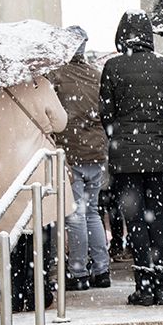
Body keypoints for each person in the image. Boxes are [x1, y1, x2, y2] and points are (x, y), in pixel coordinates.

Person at [0, 76, 73, 311]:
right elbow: (60, 123)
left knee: (10, 236)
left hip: (3, 171)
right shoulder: (39, 83)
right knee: (40, 230)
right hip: (37, 167)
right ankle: (38, 291)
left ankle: (13, 295)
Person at [100, 10, 163, 306]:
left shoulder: (113, 67)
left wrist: (119, 137)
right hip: (159, 154)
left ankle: (144, 285)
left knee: (134, 221)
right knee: (158, 218)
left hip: (126, 156)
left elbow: (106, 112)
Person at [48, 26, 111, 291]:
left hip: (70, 152)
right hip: (96, 152)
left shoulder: (57, 76)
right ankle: (102, 269)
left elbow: (53, 116)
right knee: (93, 211)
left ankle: (78, 272)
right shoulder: (96, 75)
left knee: (75, 215)